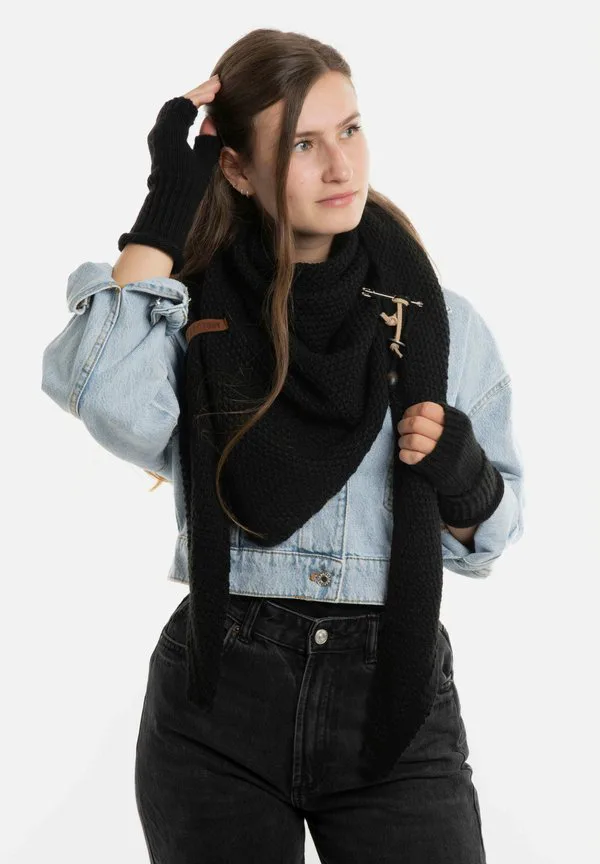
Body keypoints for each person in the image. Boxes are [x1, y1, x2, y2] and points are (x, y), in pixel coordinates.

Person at [41, 28, 524, 864]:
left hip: (392, 696)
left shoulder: (436, 326)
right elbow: (102, 389)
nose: (341, 167)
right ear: (236, 169)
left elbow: (491, 539)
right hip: (218, 697)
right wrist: (167, 200)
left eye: (350, 130)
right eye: (303, 144)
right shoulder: (192, 314)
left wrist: (466, 477)